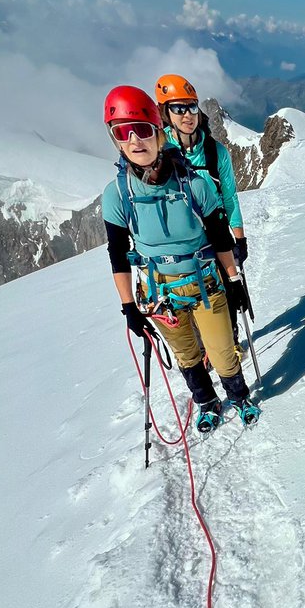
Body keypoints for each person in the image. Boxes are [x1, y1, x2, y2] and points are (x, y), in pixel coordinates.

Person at [100, 85, 259, 432]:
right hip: (159, 295)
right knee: (187, 356)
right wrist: (128, 307)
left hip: (206, 283)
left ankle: (239, 396)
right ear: (116, 142)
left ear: (158, 132)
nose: (134, 141)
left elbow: (219, 237)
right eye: (122, 133)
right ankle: (206, 402)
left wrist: (233, 282)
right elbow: (117, 253)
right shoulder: (117, 195)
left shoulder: (195, 184)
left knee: (221, 351)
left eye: (141, 130)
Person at [155, 73, 247, 334]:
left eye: (191, 107)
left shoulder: (216, 152)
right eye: (178, 108)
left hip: (216, 235)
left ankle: (227, 346)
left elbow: (229, 198)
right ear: (166, 113)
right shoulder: (158, 152)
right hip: (180, 242)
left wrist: (239, 240)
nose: (187, 115)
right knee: (187, 301)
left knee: (226, 298)